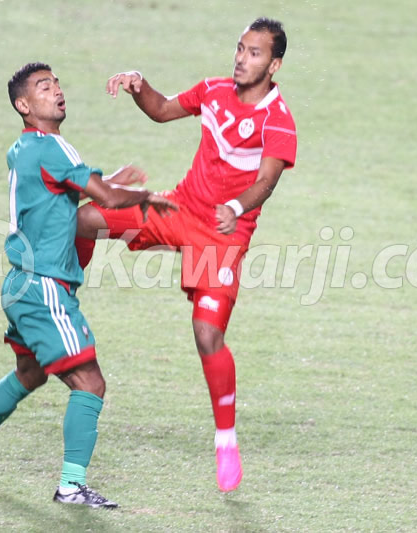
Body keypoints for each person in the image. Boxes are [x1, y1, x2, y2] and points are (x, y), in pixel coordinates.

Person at [74, 17, 297, 492]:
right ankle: (65, 287)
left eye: (254, 53)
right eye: (239, 48)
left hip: (221, 235)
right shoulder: (214, 91)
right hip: (178, 208)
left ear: (274, 64)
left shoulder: (278, 118)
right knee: (87, 219)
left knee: (206, 333)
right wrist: (139, 86)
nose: (241, 58)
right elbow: (161, 109)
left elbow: (268, 180)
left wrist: (236, 208)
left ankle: (225, 439)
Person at [0, 62, 177, 509]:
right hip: (45, 287)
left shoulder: (26, 149)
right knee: (90, 383)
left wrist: (110, 183)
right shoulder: (52, 147)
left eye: (57, 84)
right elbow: (104, 200)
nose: (57, 91)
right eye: (43, 87)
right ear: (23, 104)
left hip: (20, 285)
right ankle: (71, 486)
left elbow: (65, 195)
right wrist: (144, 196)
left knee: (30, 374)